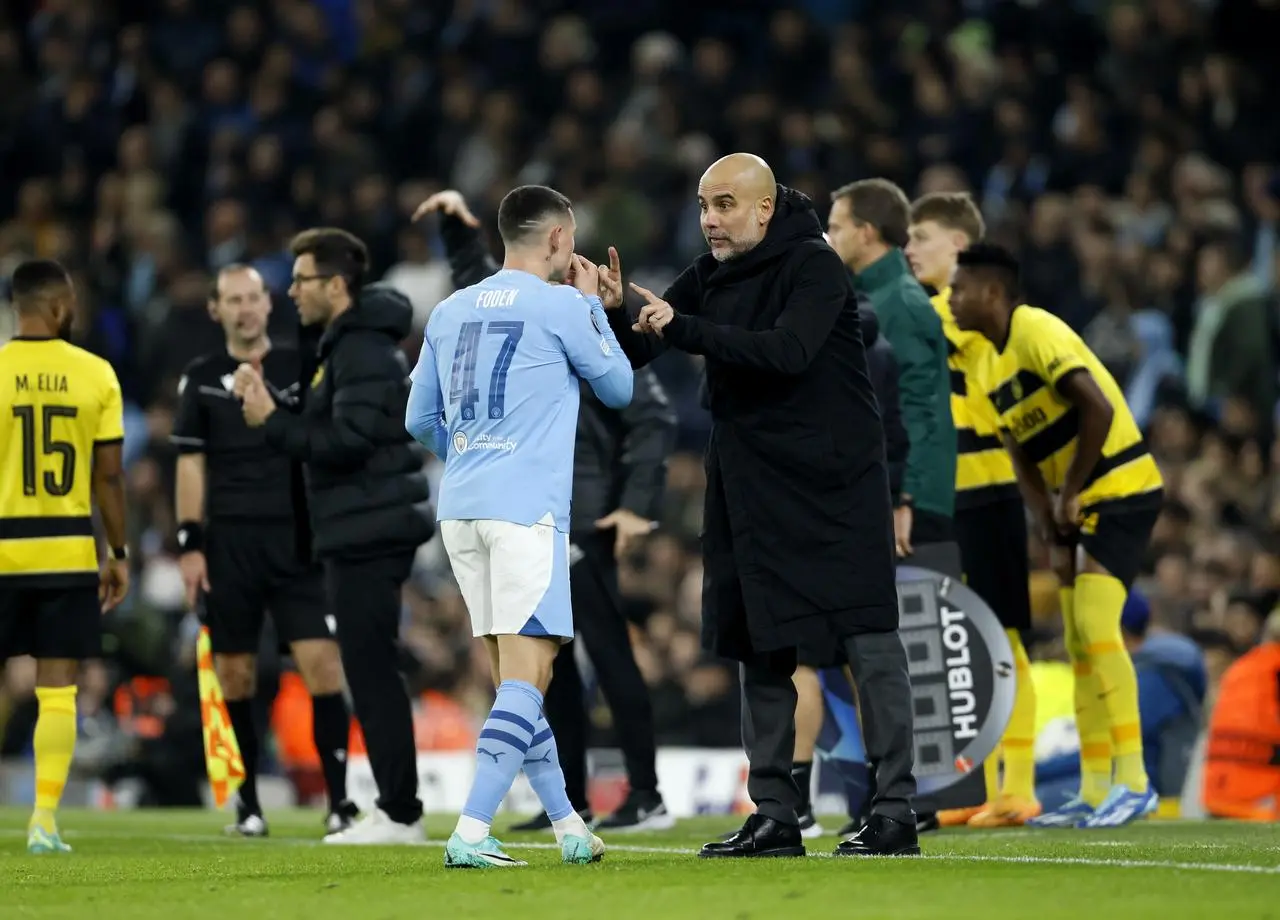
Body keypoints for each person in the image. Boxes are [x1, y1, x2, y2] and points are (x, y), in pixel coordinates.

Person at [602, 153, 919, 858]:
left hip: (834, 486)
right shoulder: (713, 270)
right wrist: (613, 309)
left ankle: (894, 810)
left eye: (723, 205)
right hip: (751, 483)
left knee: (867, 640)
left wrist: (674, 323)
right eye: (703, 206)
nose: (709, 220)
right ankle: (776, 812)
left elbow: (786, 352)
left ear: (764, 208)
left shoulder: (814, 264)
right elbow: (635, 352)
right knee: (760, 644)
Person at [413, 189, 677, 833]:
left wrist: (473, 453)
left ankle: (567, 821)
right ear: (559, 238)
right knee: (532, 676)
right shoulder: (562, 304)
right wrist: (592, 307)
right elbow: (619, 389)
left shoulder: (449, 309)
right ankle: (473, 830)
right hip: (527, 511)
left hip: (462, 509)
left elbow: (418, 417)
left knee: (516, 673)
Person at [949, 242, 1166, 828]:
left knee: (1097, 628)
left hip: (1120, 487)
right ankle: (1096, 789)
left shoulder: (1036, 329)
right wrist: (1045, 514)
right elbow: (1018, 449)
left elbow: (1093, 405)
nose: (951, 297)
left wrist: (1069, 491)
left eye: (960, 288)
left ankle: (1136, 782)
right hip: (1072, 505)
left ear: (993, 293)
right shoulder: (989, 362)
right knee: (1076, 642)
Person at [232, 229, 433, 845]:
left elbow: (349, 442)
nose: (290, 290)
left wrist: (271, 421)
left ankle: (400, 812)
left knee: (371, 671)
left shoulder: (364, 351)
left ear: (337, 285)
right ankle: (396, 807)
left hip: (369, 529)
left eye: (302, 279)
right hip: (355, 527)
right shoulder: (344, 345)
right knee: (369, 668)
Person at [171, 264, 354, 837]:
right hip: (229, 545)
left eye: (254, 298)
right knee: (235, 674)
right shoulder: (200, 377)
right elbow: (191, 463)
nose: (247, 308)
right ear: (215, 309)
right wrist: (190, 543)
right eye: (234, 300)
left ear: (268, 304)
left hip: (298, 542)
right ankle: (248, 803)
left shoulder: (303, 364)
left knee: (322, 666)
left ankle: (340, 802)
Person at [905, 193, 1040, 828]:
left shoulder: (957, 312)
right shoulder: (936, 311)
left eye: (922, 237)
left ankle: (1020, 786)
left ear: (958, 248)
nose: (910, 248)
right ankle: (973, 787)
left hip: (988, 489)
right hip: (946, 495)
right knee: (957, 644)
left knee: (1002, 641)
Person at [0, 259, 130, 853]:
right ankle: (43, 821)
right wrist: (120, 552)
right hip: (67, 551)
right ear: (57, 308)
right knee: (58, 690)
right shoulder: (95, 374)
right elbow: (109, 479)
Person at [790, 304, 908, 839]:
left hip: (804, 513)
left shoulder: (793, 342)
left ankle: (797, 803)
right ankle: (884, 803)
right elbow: (901, 431)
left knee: (803, 662)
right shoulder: (875, 349)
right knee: (870, 659)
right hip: (867, 511)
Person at [827, 178, 955, 556]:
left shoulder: (900, 302)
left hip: (911, 510)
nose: (828, 236)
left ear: (866, 233)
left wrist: (906, 499)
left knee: (918, 614)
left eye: (836, 227)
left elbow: (922, 409)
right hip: (881, 493)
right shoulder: (870, 298)